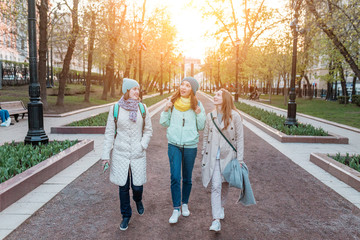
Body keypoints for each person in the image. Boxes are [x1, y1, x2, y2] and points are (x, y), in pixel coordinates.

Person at [101, 78, 153, 231]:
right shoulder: (115, 109)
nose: (137, 92)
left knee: (137, 186)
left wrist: (142, 145)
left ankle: (138, 199)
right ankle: (126, 216)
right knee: (123, 187)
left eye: (138, 89)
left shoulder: (142, 108)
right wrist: (105, 155)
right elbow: (109, 133)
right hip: (120, 153)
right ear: (126, 91)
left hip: (137, 153)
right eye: (133, 89)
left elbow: (148, 130)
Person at [160, 77, 206, 224]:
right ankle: (176, 209)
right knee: (175, 176)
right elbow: (164, 122)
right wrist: (166, 109)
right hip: (174, 144)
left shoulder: (197, 104)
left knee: (187, 177)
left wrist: (199, 113)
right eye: (182, 84)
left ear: (192, 89)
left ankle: (184, 203)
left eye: (187, 86)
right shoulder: (172, 102)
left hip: (190, 145)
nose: (183, 87)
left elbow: (201, 126)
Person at [201, 88, 245, 232]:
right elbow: (206, 137)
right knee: (215, 186)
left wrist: (240, 159)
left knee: (225, 185)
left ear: (226, 98)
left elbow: (239, 139)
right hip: (214, 157)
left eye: (219, 95)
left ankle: (220, 208)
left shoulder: (235, 116)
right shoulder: (210, 116)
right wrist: (204, 154)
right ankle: (216, 220)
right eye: (215, 94)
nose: (215, 96)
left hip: (229, 157)